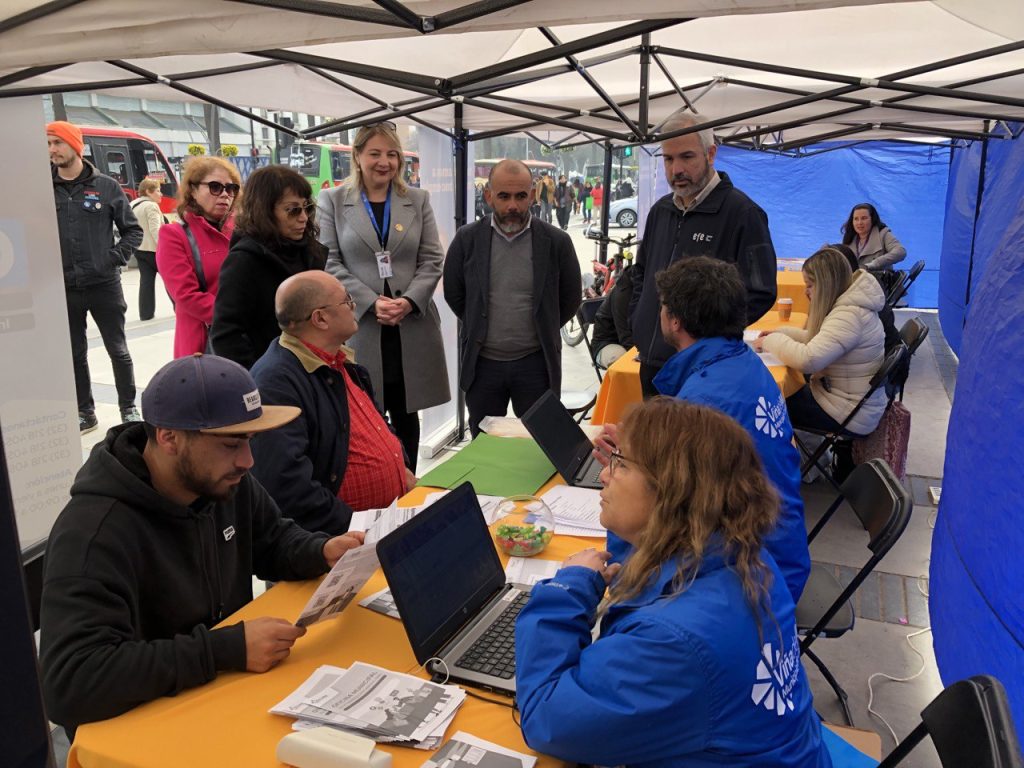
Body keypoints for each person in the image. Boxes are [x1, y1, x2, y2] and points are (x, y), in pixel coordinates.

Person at [39, 353, 366, 738]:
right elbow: (70, 682)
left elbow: (271, 539)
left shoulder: (221, 481)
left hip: (226, 697)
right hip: (147, 734)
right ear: (169, 438)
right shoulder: (94, 533)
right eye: (230, 444)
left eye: (249, 440)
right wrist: (224, 650)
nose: (247, 461)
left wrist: (320, 551)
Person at [515, 398, 830, 767]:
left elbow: (547, 720)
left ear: (670, 491)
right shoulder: (746, 557)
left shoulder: (673, 641)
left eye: (621, 464)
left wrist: (567, 590)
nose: (604, 475)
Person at [599, 257, 809, 601]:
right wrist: (640, 455)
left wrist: (631, 469)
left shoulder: (702, 404)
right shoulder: (744, 364)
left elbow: (668, 517)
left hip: (752, 578)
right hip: (779, 553)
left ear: (674, 320)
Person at [318, 122, 450, 470]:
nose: (385, 162)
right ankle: (380, 488)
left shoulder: (417, 200)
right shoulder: (333, 201)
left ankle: (409, 484)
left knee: (407, 418)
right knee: (367, 418)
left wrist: (409, 301)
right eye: (375, 153)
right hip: (361, 325)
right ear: (357, 156)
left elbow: (432, 258)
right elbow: (328, 261)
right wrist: (370, 301)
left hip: (411, 325)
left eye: (392, 154)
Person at [250, 271, 415, 535]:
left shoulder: (339, 361)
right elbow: (286, 484)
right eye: (346, 300)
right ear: (320, 318)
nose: (354, 306)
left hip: (383, 526)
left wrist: (400, 468)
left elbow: (377, 425)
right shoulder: (275, 382)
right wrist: (357, 526)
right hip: (342, 541)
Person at [630, 109, 777, 397]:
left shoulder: (743, 214)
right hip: (652, 363)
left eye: (687, 157)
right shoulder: (661, 211)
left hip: (705, 370)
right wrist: (638, 322)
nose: (676, 169)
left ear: (710, 154)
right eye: (668, 159)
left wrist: (706, 337)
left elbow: (761, 291)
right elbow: (640, 274)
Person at [443, 159, 582, 436]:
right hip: (483, 366)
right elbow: (454, 293)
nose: (513, 206)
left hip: (536, 365)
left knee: (540, 444)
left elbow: (570, 297)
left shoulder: (556, 242)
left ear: (532, 195)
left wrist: (543, 326)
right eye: (504, 196)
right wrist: (479, 323)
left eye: (520, 196)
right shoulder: (467, 240)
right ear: (488, 196)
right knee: (484, 446)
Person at [755, 247, 887, 475]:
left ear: (825, 284)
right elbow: (818, 338)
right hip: (850, 403)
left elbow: (808, 360)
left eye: (809, 285)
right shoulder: (852, 307)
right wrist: (782, 333)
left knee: (768, 404)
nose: (806, 292)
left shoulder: (848, 316)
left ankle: (779, 471)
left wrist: (771, 341)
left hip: (847, 413)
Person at [48, 121, 143, 434]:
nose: (52, 150)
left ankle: (128, 407)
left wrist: (111, 259)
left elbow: (133, 231)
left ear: (75, 145)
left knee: (118, 350)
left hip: (104, 285)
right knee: (75, 354)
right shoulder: (43, 188)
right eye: (48, 144)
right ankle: (85, 412)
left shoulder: (106, 186)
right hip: (65, 287)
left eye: (57, 143)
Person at [211, 165, 327, 369]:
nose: (303, 217)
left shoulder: (310, 252)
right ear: (265, 211)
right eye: (293, 210)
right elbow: (226, 334)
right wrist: (256, 379)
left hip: (315, 368)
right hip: (271, 374)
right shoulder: (243, 261)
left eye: (307, 207)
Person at [157, 157, 241, 357]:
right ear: (193, 190)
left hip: (244, 339)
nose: (225, 194)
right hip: (203, 342)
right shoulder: (174, 235)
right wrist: (238, 315)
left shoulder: (242, 231)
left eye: (231, 188)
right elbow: (186, 295)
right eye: (215, 187)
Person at [130, 178, 165, 321]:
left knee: (146, 282)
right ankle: (180, 307)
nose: (161, 194)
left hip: (139, 249)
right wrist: (164, 249)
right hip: (155, 250)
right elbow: (155, 230)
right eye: (158, 190)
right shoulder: (151, 206)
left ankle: (146, 313)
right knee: (172, 280)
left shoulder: (133, 204)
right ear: (148, 192)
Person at [590, 263, 634, 369]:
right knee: (625, 362)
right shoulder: (624, 291)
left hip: (632, 341)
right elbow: (626, 336)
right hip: (607, 343)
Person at [840, 203, 906, 271]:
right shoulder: (849, 238)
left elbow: (901, 252)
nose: (859, 223)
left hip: (877, 277)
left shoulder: (883, 233)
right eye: (856, 219)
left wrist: (875, 264)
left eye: (864, 218)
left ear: (872, 219)